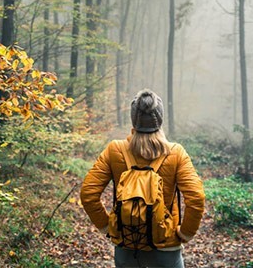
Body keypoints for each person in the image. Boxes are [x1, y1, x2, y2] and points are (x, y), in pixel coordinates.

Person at [80, 89, 206, 268]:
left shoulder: (114, 150)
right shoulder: (176, 153)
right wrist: (186, 233)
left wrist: (108, 227)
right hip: (166, 245)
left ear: (134, 119)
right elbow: (196, 197)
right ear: (160, 120)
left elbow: (88, 193)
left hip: (126, 242)